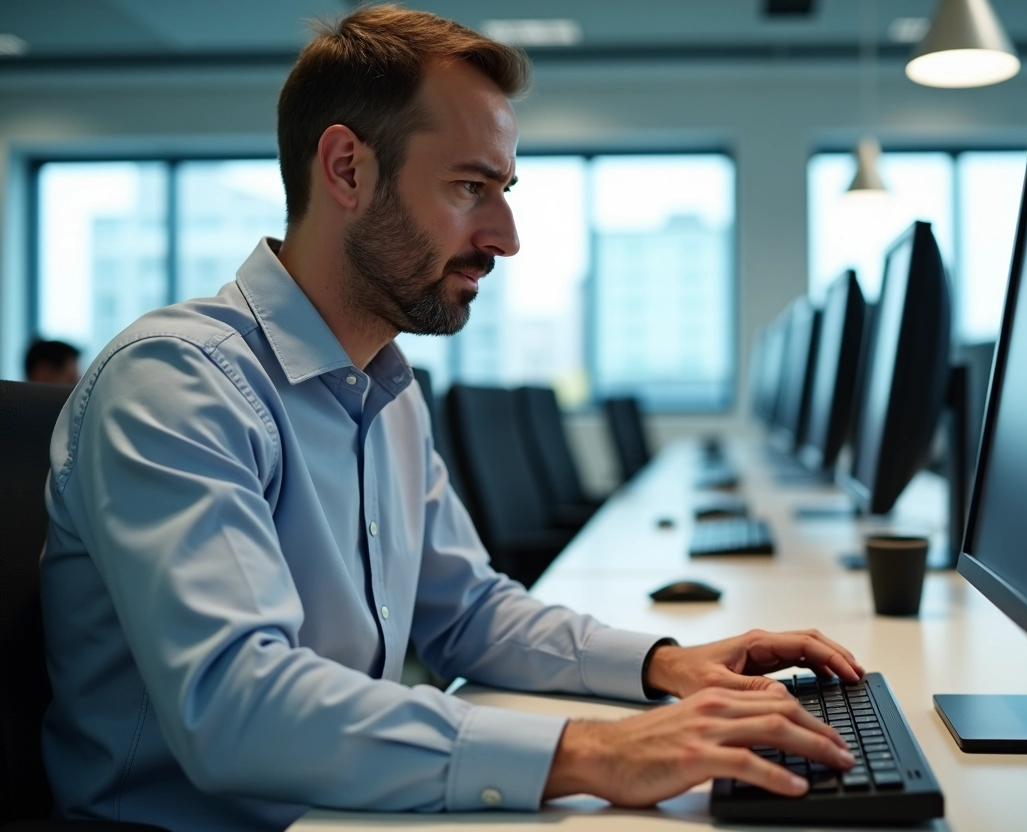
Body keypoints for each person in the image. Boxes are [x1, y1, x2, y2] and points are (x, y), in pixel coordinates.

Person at [40, 7, 864, 831]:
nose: (504, 237)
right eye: (471, 187)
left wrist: (666, 665)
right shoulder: (178, 384)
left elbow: (466, 612)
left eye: (503, 191)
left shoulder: (386, 390)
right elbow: (234, 705)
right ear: (347, 170)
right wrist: (596, 753)